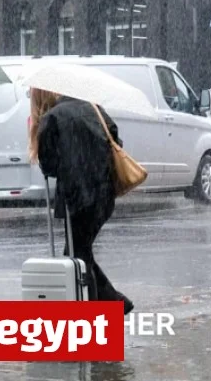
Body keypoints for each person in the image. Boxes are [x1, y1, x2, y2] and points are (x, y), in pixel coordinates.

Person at [28, 89, 134, 313]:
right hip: (103, 193)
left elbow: (49, 166)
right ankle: (112, 300)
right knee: (79, 251)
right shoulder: (93, 108)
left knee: (78, 253)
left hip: (77, 197)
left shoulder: (52, 119)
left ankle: (102, 304)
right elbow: (115, 139)